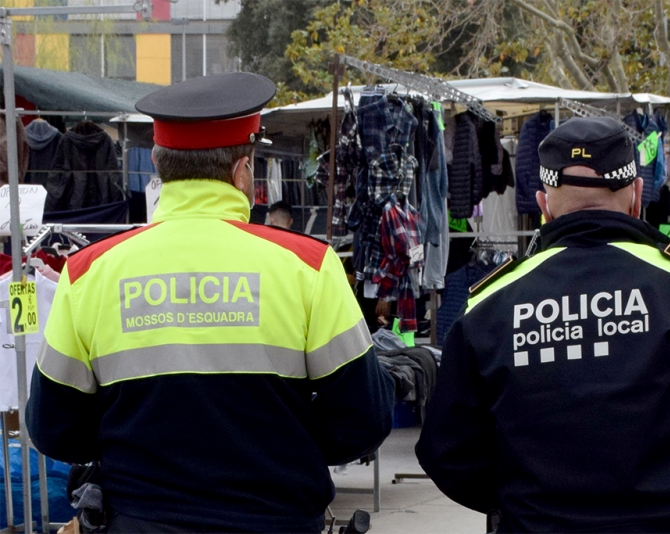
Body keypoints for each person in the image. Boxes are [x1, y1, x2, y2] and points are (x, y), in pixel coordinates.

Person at [26, 72, 395, 534]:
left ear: (161, 169)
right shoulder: (309, 266)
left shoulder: (88, 273)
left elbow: (53, 428)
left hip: (139, 522)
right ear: (242, 170)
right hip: (277, 521)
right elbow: (365, 419)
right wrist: (285, 448)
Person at [415, 117, 670, 533]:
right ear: (637, 196)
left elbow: (447, 452)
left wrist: (526, 505)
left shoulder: (491, 303)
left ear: (543, 203)